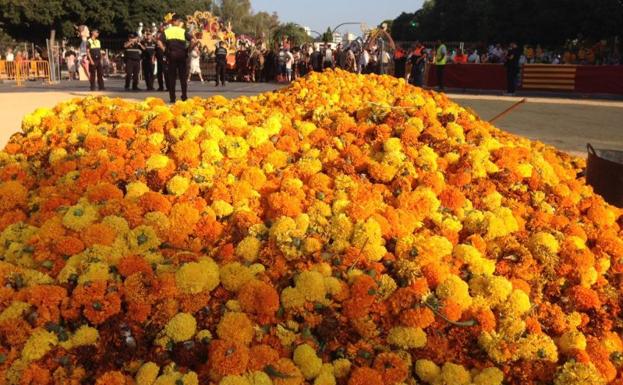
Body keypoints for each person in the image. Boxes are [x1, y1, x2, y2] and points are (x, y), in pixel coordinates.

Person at [159, 14, 193, 102]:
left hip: (171, 55)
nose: (180, 22)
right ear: (177, 22)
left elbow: (159, 41)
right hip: (182, 56)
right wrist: (189, 50)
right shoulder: (182, 31)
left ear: (172, 21)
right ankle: (184, 96)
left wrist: (165, 50)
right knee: (183, 78)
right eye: (179, 21)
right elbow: (193, 41)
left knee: (172, 78)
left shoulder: (167, 31)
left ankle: (172, 98)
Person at [155, 24, 169, 91]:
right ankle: (161, 87)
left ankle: (168, 87)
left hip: (164, 55)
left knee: (166, 72)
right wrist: (153, 56)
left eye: (162, 27)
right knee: (159, 72)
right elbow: (155, 48)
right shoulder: (157, 35)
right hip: (158, 56)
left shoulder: (166, 35)